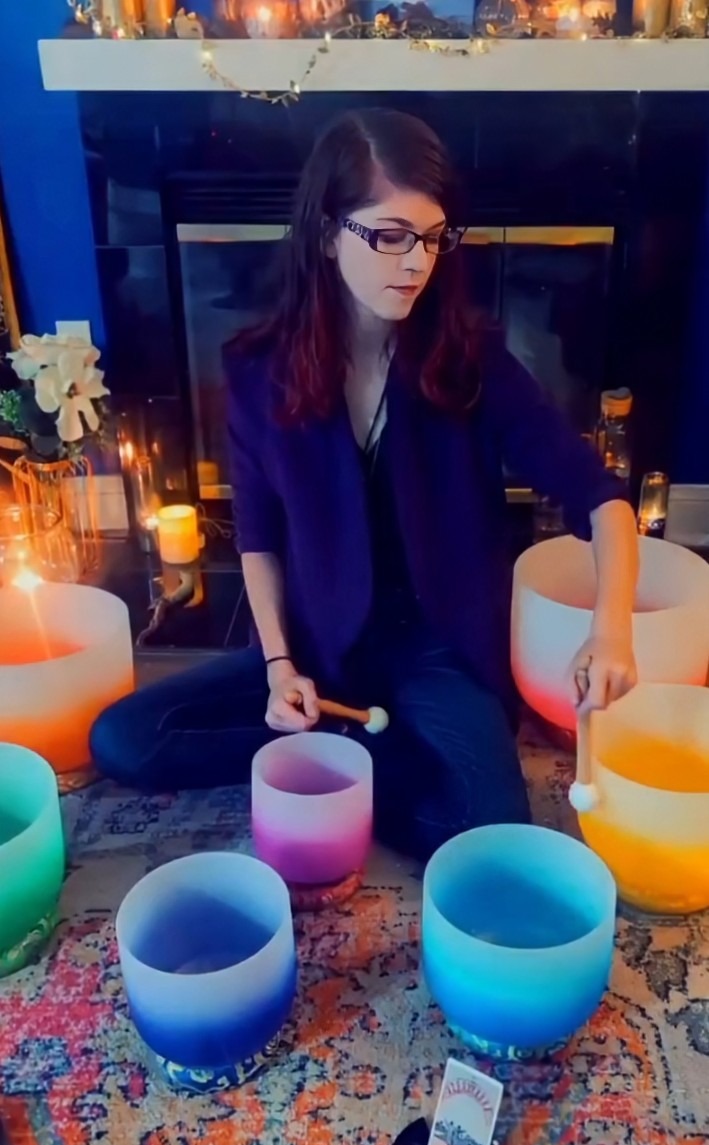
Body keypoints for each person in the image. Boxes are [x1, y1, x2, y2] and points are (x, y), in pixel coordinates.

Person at [90, 108, 639, 861]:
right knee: (124, 739)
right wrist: (280, 665)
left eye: (433, 237)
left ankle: (340, 759)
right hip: (315, 645)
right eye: (388, 235)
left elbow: (600, 498)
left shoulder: (470, 361)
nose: (415, 261)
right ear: (325, 234)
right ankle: (339, 736)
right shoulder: (256, 371)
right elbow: (258, 538)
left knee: (484, 831)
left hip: (435, 648)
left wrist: (610, 630)